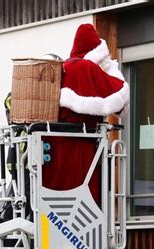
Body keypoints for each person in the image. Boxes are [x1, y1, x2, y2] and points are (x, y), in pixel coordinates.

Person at [41, 24, 129, 205]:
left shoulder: (64, 67)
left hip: (54, 150)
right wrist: (110, 67)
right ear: (97, 51)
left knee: (55, 205)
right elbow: (121, 94)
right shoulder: (86, 68)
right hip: (81, 149)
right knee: (85, 201)